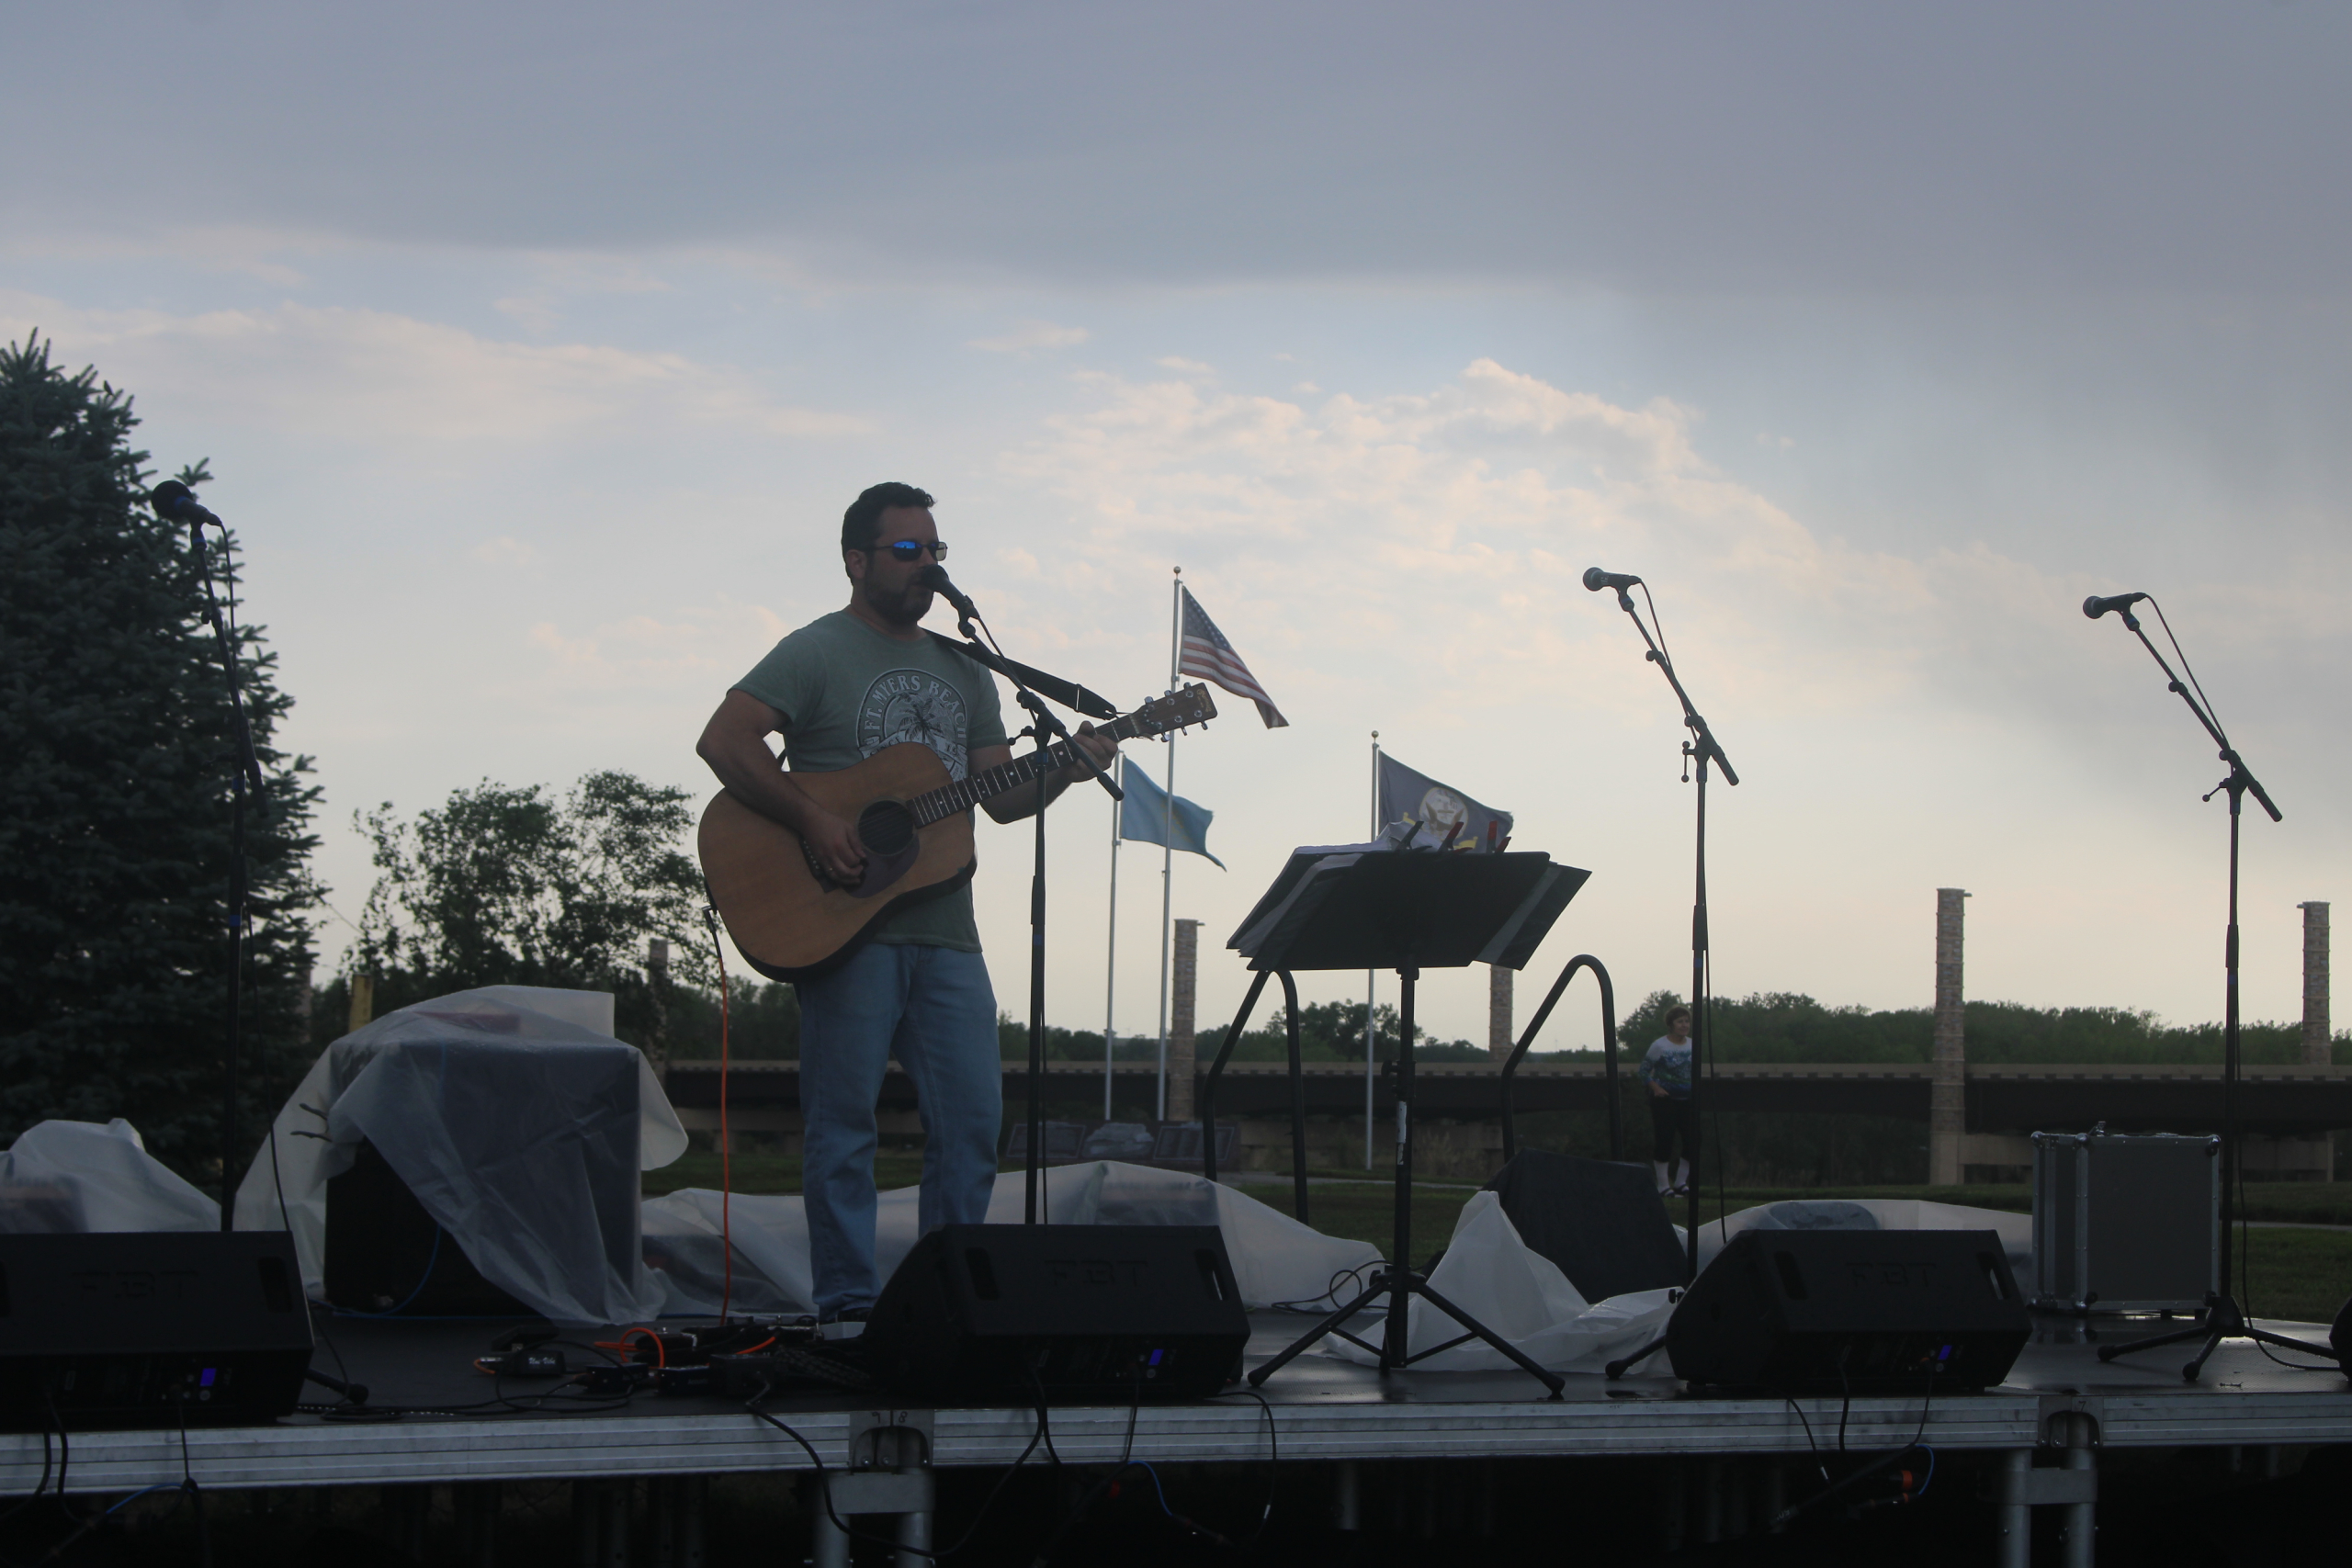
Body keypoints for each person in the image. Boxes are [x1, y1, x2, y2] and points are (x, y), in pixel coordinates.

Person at [695, 482, 1116, 1325]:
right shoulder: (814, 651)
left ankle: (945, 1301)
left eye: (936, 550)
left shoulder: (966, 666)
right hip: (842, 924)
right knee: (842, 1126)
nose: (927, 562)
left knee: (972, 1125)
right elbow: (724, 738)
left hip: (947, 931)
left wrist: (1068, 766)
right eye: (907, 549)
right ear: (857, 561)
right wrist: (817, 819)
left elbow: (998, 796)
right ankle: (848, 1305)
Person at [1638, 1005, 1696, 1195]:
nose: (1684, 1025)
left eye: (1686, 1021)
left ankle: (1681, 1183)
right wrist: (1655, 1088)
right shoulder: (1660, 1046)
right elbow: (1644, 1071)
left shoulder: (1692, 1044)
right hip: (1665, 1100)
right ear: (1671, 1024)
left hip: (1686, 1099)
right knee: (1665, 1141)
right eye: (1680, 1022)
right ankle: (1663, 1185)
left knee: (1693, 1139)